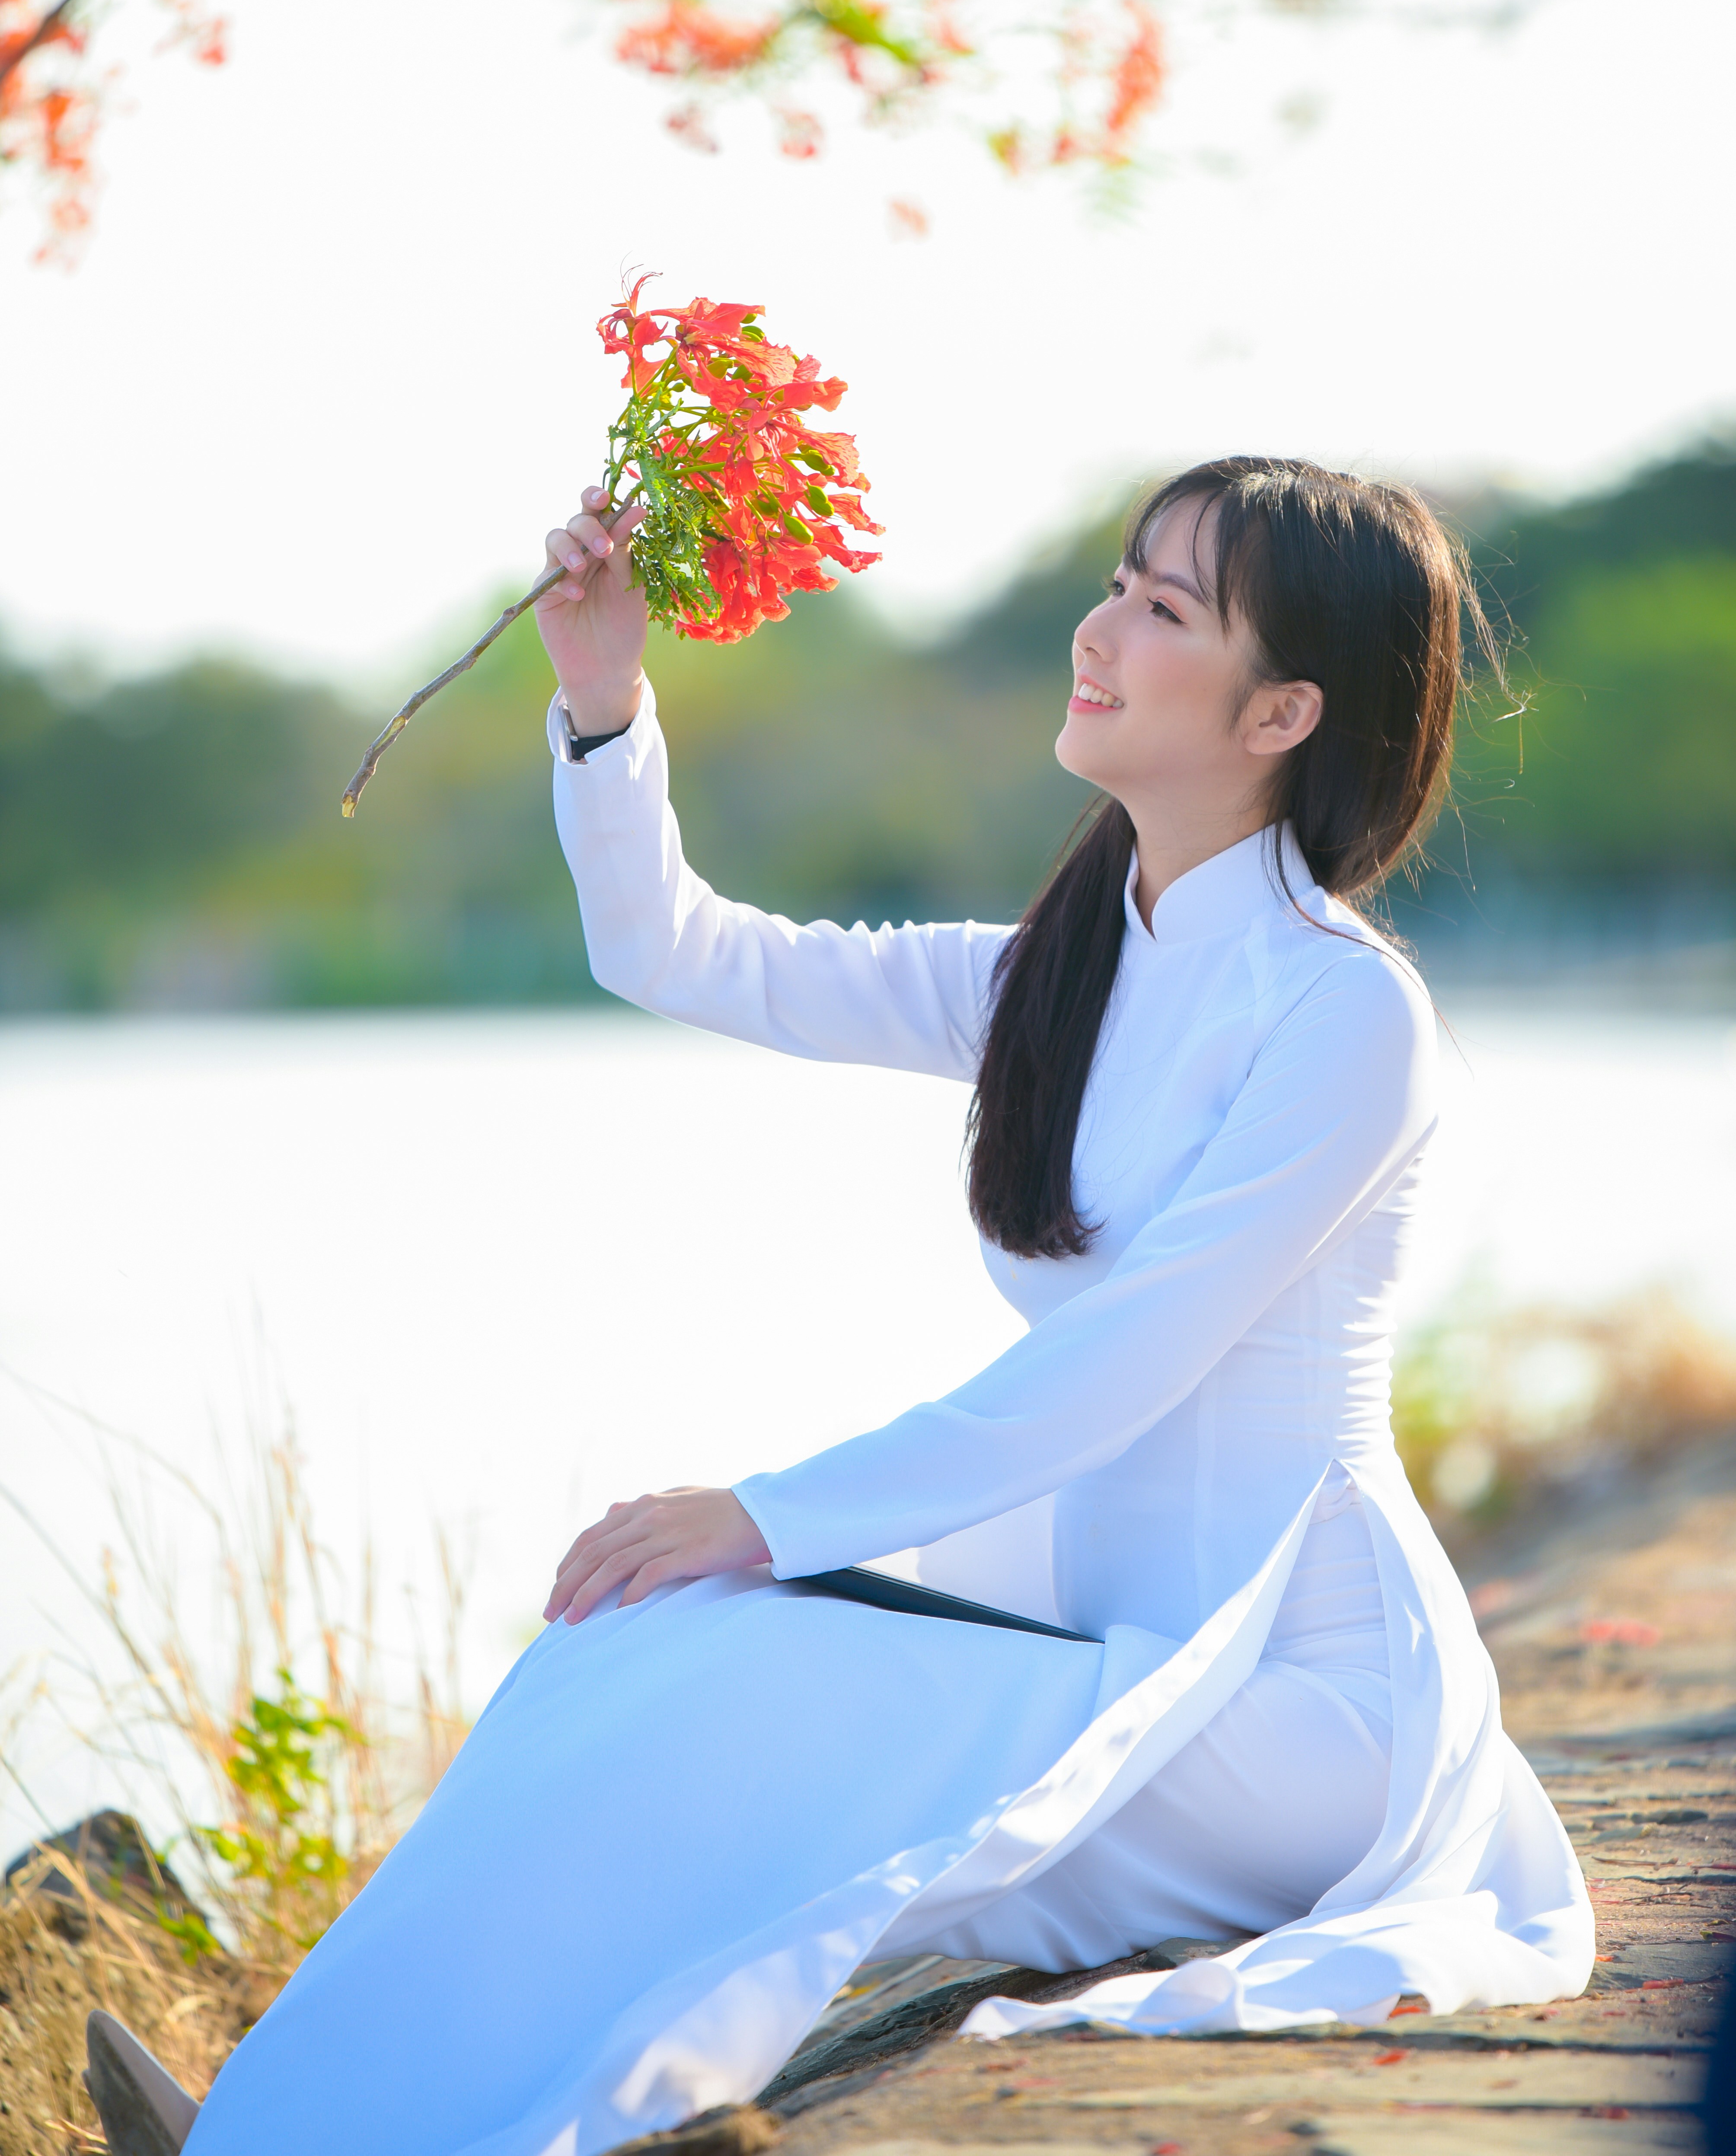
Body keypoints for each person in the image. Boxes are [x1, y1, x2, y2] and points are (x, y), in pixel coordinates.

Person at [189, 457, 1591, 2156]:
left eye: (1165, 609)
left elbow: (1115, 1371)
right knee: (617, 1650)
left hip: (1295, 1707)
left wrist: (765, 1517)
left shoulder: (1341, 1015)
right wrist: (600, 692)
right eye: (1117, 581)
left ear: (1280, 707)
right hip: (1103, 1657)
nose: (1101, 628)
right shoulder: (1057, 970)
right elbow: (682, 951)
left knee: (762, 1727)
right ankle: (293, 2125)